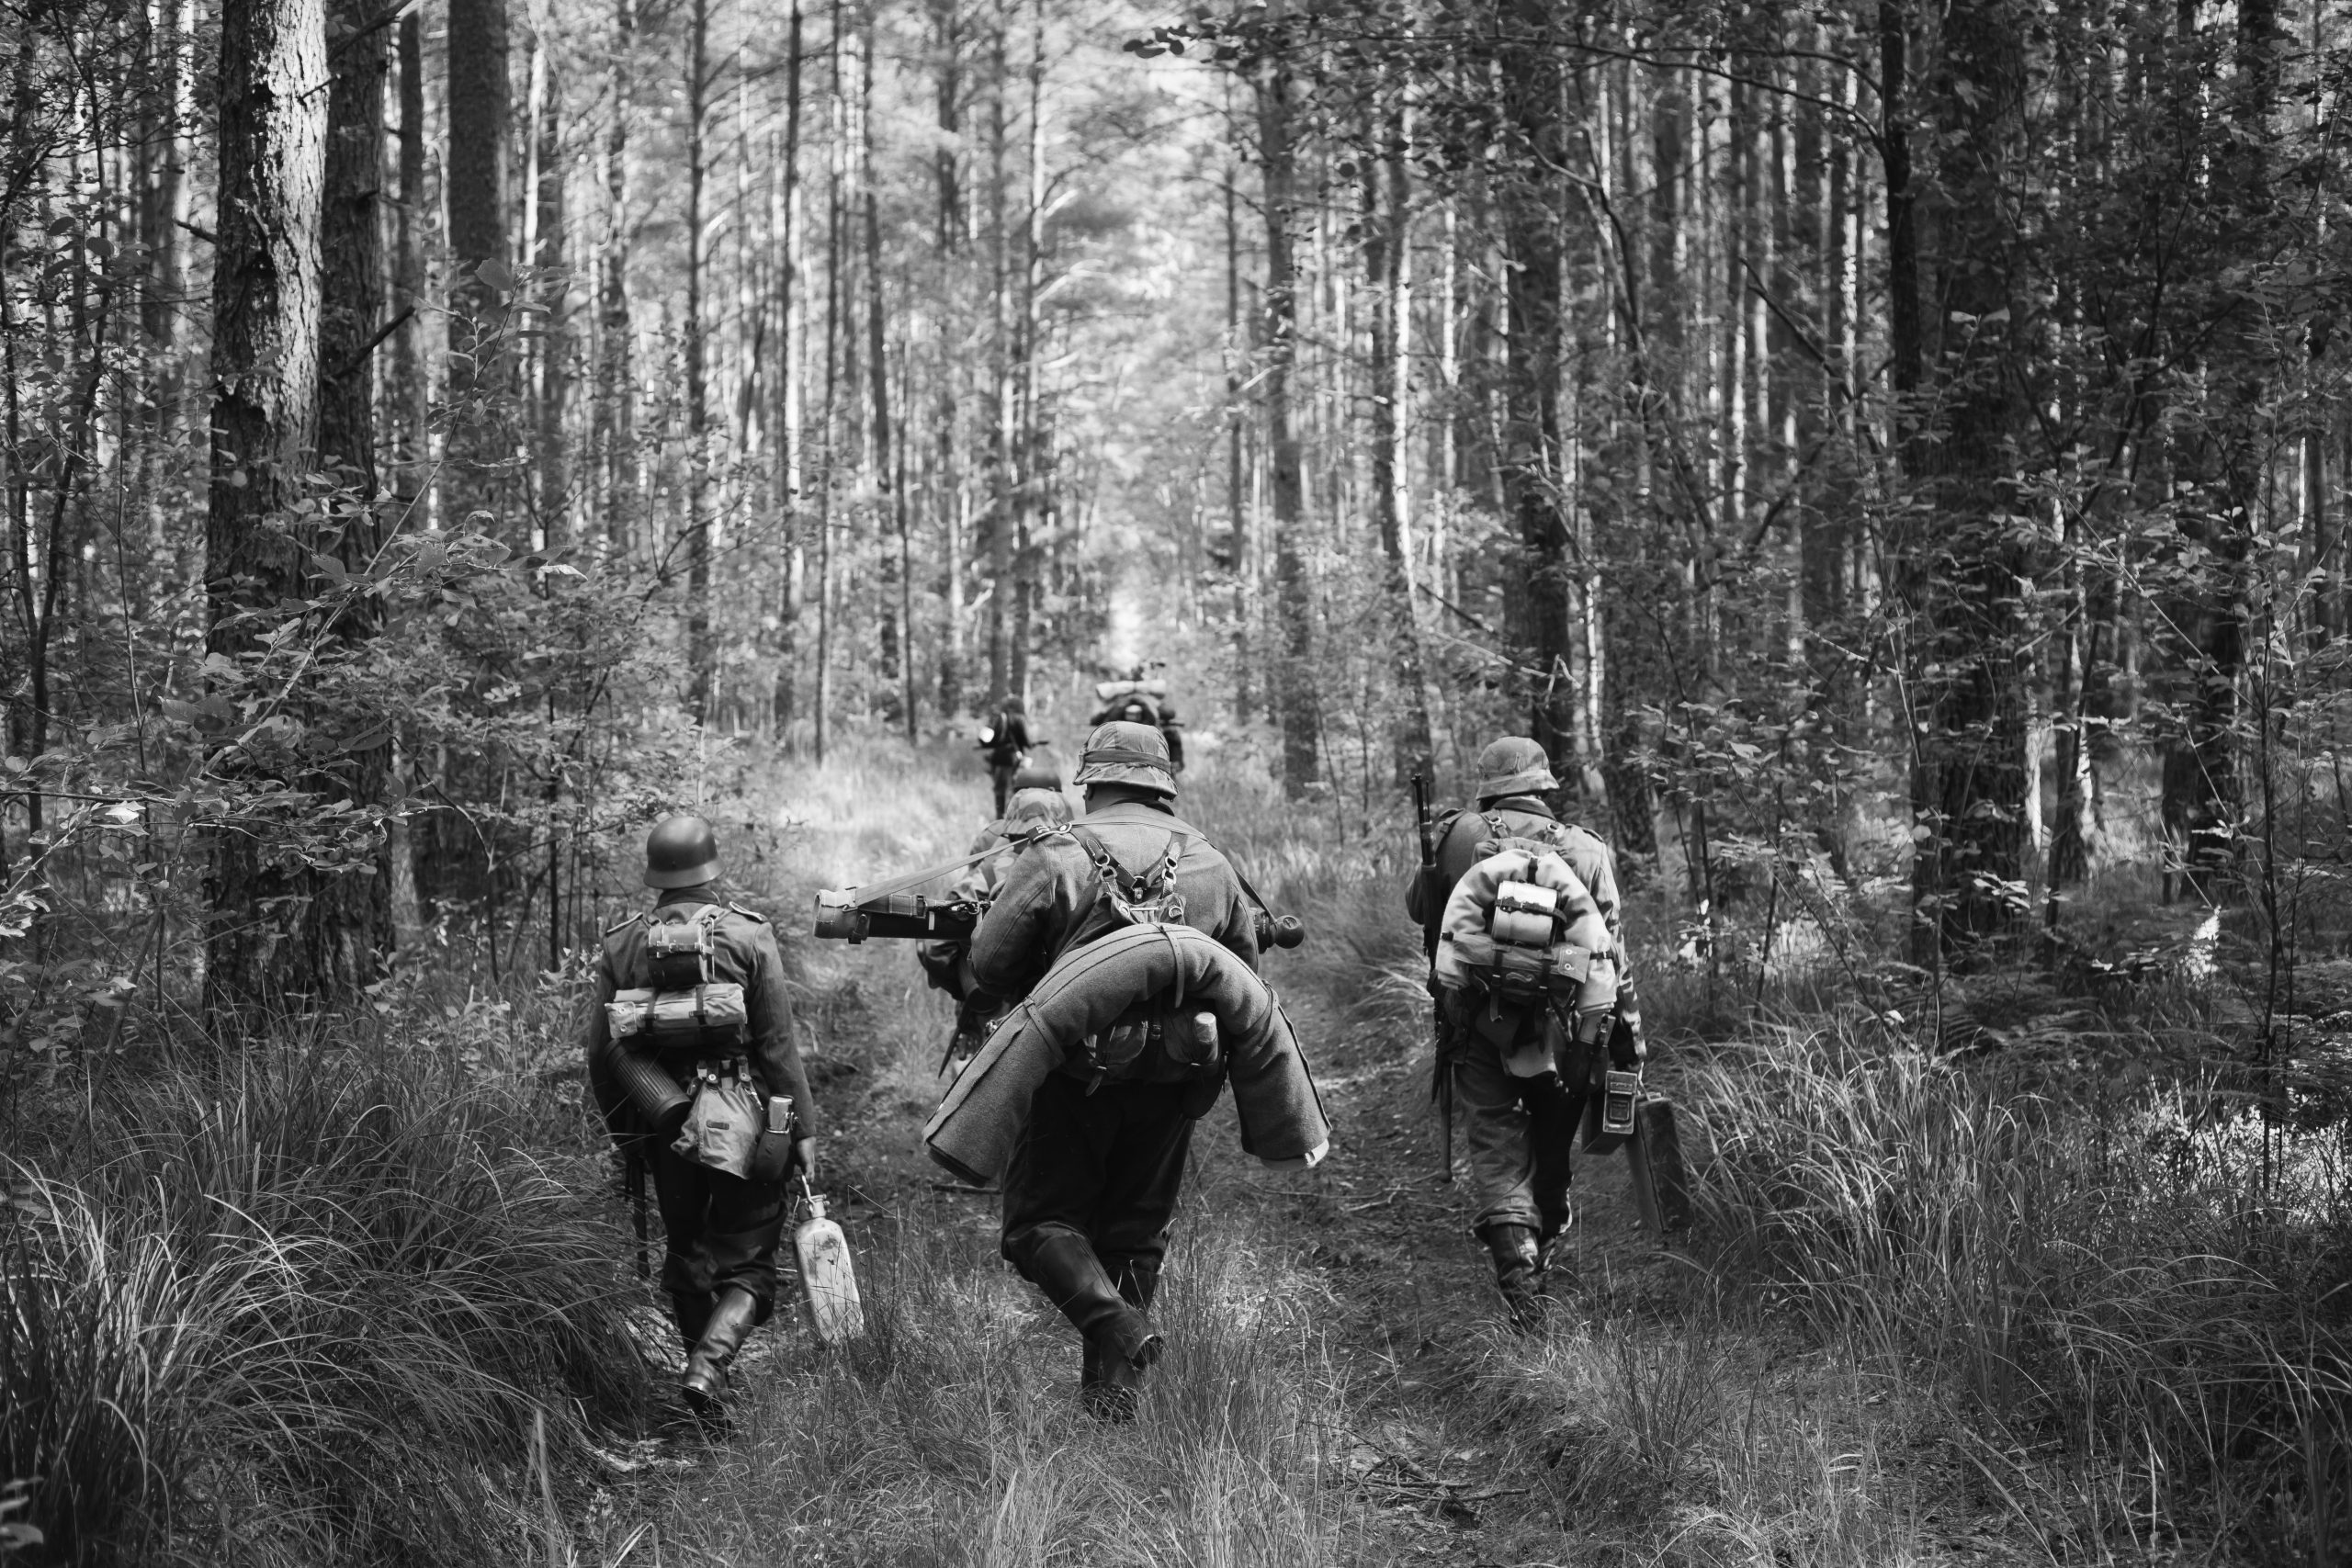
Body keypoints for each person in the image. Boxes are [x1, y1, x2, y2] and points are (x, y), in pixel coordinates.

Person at [964, 721, 1260, 1420]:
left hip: (1072, 1074)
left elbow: (990, 964)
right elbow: (1245, 971)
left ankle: (1116, 1326)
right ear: (1162, 782)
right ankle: (1113, 1399)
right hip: (1175, 1077)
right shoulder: (1213, 863)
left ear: (1091, 781)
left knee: (1038, 1225)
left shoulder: (1059, 854)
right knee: (1135, 1232)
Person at [586, 814, 820, 1418]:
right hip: (742, 1116)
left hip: (664, 1124)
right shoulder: (747, 936)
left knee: (689, 1255)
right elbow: (776, 1046)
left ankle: (708, 1396)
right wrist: (802, 1130)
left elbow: (602, 1057)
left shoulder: (622, 943)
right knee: (751, 1267)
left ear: (654, 875)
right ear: (712, 869)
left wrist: (628, 1137)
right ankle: (709, 1366)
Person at [1406, 737, 1645, 1327]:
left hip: (1477, 1021)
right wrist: (1628, 1041)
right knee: (1551, 1142)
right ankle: (1543, 1243)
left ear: (1487, 784)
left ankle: (1519, 1275)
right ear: (1543, 785)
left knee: (1493, 1137)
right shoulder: (1585, 849)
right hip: (1567, 1026)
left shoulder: (1456, 835)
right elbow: (1610, 953)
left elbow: (1420, 909)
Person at [917, 760, 1076, 1071]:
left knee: (979, 1079)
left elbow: (940, 939)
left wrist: (969, 984)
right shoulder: (1079, 851)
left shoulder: (991, 851)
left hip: (994, 983)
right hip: (1058, 997)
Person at [977, 694, 1041, 817]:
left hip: (998, 758)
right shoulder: (1020, 719)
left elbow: (990, 740)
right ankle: (1011, 817)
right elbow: (1028, 742)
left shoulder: (1000, 717)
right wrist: (1034, 743)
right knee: (1015, 789)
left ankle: (999, 816)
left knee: (999, 790)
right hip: (1014, 759)